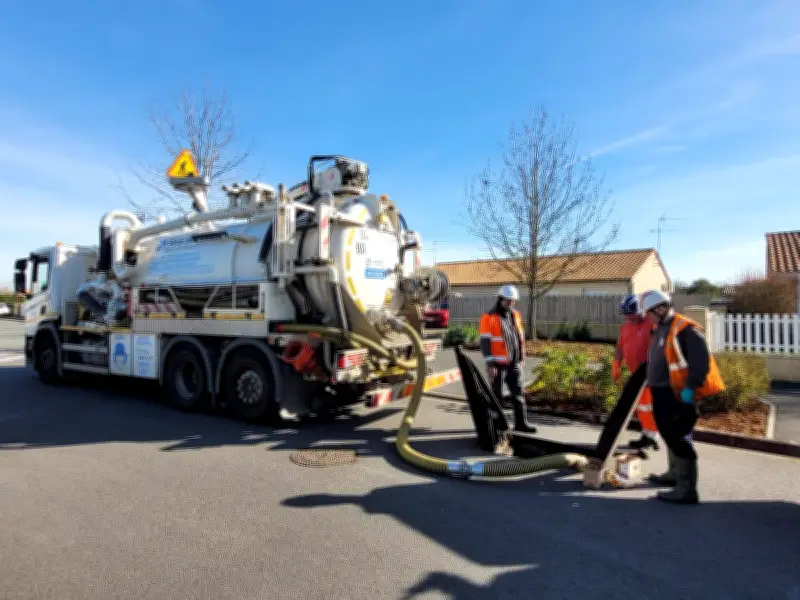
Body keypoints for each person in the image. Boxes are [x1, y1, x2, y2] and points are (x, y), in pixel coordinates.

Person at [640, 289, 726, 504]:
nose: (646, 317)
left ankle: (687, 490)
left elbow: (701, 363)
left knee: (680, 438)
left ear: (660, 308)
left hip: (679, 394)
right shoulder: (660, 327)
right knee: (669, 434)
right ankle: (674, 475)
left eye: (648, 312)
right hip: (661, 392)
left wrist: (690, 389)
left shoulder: (686, 329)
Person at [479, 285, 536, 432]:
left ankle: (521, 423)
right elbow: (485, 342)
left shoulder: (515, 315)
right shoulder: (488, 317)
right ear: (500, 299)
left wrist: (522, 357)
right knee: (496, 396)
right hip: (497, 364)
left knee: (518, 394)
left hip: (514, 362)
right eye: (508, 301)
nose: (510, 303)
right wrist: (490, 364)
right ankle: (498, 425)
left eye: (513, 301)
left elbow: (519, 337)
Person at [613, 294, 659, 451]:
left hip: (651, 373)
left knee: (650, 407)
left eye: (631, 314)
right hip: (636, 375)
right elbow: (619, 347)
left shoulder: (651, 323)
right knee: (642, 407)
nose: (628, 318)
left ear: (640, 311)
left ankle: (651, 437)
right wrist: (616, 365)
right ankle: (647, 435)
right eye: (626, 315)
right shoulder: (626, 326)